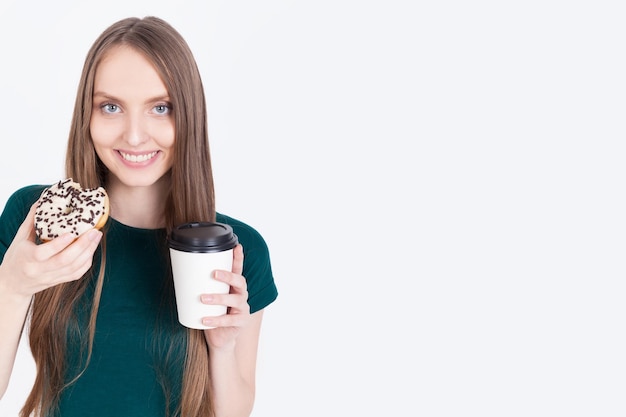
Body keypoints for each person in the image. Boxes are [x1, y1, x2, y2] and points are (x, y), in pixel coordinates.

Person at [0, 16, 278, 417]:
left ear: (189, 117)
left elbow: (232, 412)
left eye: (160, 108)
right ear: (87, 116)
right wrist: (11, 285)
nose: (133, 135)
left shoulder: (237, 250)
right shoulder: (35, 220)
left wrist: (223, 347)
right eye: (110, 107)